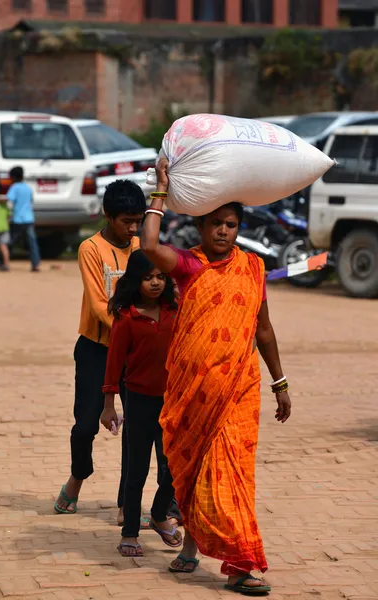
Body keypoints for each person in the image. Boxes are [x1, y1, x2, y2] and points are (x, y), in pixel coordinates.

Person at [140, 158, 291, 595]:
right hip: (194, 391)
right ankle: (191, 547)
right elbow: (149, 244)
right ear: (202, 228)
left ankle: (241, 564)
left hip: (238, 389)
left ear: (238, 228)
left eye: (231, 224)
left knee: (231, 474)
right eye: (216, 224)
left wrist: (280, 382)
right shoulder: (190, 265)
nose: (224, 231)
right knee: (193, 471)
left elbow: (263, 329)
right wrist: (161, 190)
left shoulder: (252, 269)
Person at [54, 180, 146, 516]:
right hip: (96, 349)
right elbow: (97, 304)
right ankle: (78, 476)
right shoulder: (90, 249)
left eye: (138, 220)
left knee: (135, 427)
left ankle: (127, 503)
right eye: (126, 221)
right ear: (108, 215)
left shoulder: (142, 247)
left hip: (135, 352)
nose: (132, 228)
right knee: (85, 426)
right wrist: (135, 328)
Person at [101, 249, 182, 557]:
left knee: (174, 465)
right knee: (136, 470)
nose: (155, 283)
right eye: (148, 278)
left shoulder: (176, 313)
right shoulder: (126, 318)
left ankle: (160, 515)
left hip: (172, 402)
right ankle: (130, 532)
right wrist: (109, 404)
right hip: (137, 401)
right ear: (135, 281)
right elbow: (113, 363)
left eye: (161, 277)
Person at [7, 166, 41, 272]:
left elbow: (9, 203)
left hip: (17, 219)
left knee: (10, 241)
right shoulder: (27, 187)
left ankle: (4, 261)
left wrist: (8, 215)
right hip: (29, 218)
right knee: (32, 242)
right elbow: (31, 202)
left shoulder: (14, 187)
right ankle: (35, 264)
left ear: (13, 177)